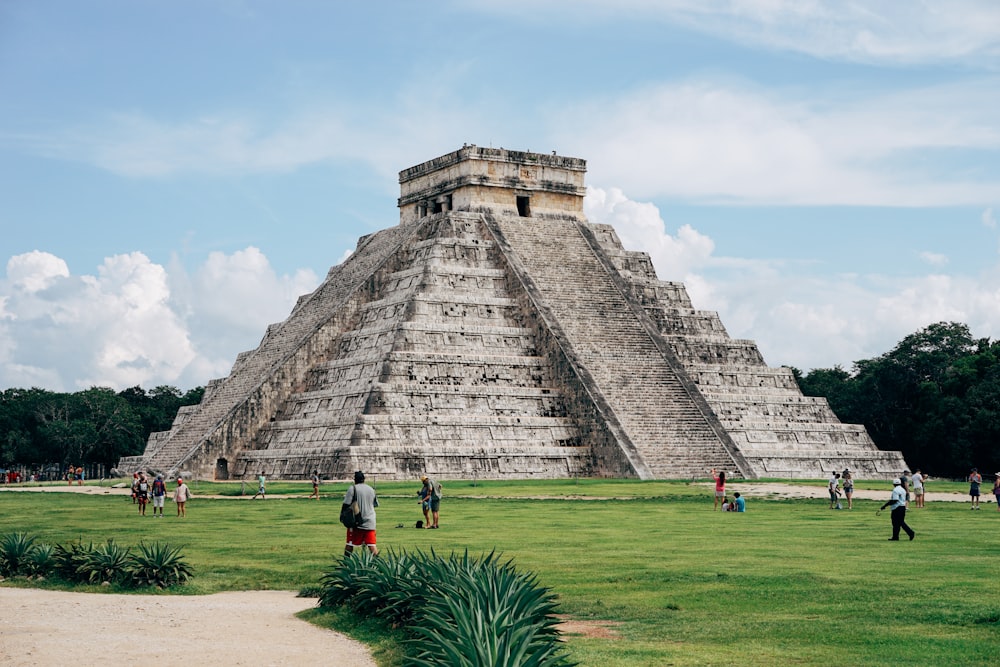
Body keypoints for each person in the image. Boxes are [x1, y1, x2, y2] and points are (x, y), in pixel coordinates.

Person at [343, 471, 378, 557]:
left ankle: (346, 563)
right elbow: (375, 504)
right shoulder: (371, 489)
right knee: (371, 545)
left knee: (350, 543)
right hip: (370, 521)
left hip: (357, 521)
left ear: (355, 480)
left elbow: (346, 504)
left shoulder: (353, 489)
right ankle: (378, 563)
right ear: (364, 479)